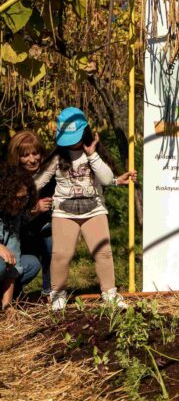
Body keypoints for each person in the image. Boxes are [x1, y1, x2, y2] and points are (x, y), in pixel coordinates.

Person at [35, 107, 137, 311]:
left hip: (94, 211)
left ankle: (109, 293)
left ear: (85, 131)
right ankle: (57, 294)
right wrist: (20, 191)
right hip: (64, 212)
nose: (71, 141)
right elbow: (38, 182)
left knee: (104, 253)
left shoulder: (95, 154)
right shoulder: (57, 158)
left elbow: (107, 179)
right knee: (61, 255)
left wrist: (92, 155)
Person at [8, 131, 55, 296]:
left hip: (45, 227)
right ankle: (11, 292)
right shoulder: (10, 181)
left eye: (35, 153)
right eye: (25, 155)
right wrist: (34, 210)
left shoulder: (50, 176)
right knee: (30, 263)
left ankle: (50, 290)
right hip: (18, 235)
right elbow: (10, 219)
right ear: (17, 157)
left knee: (51, 241)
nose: (32, 159)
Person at [0, 164, 41, 309]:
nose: (22, 204)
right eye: (18, 199)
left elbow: (13, 259)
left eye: (25, 199)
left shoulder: (14, 215)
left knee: (30, 263)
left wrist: (8, 305)